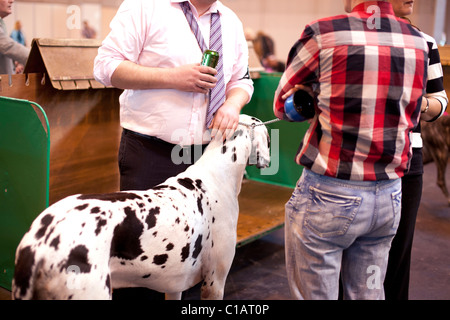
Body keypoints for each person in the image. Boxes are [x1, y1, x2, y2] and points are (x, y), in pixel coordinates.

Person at [94, 0, 253, 299]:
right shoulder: (144, 6)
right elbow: (105, 66)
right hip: (149, 155)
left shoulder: (230, 21)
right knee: (142, 266)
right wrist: (172, 77)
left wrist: (233, 104)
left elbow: (241, 79)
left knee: (195, 263)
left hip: (205, 161)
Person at [274, 0, 428, 300]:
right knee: (368, 292)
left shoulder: (324, 34)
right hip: (388, 195)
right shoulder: (418, 41)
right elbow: (415, 111)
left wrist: (314, 95)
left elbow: (282, 106)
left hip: (330, 195)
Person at [384, 0, 448, 300]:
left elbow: (439, 101)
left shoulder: (426, 42)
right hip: (355, 161)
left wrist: (418, 102)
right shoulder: (349, 36)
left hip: (408, 159)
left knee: (398, 257)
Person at [0, 0, 28, 75]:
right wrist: (35, 57)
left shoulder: (2, 24)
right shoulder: (14, 33)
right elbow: (8, 47)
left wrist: (12, 66)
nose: (11, 1)